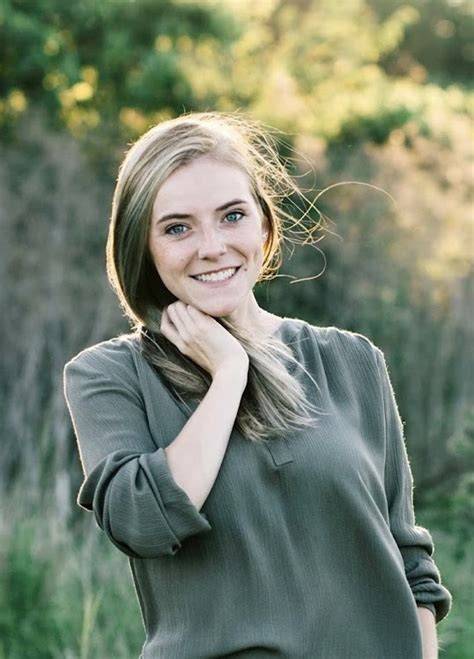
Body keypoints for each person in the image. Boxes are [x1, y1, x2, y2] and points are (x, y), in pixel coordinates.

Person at [63, 112, 451, 659]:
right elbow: (143, 523)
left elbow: (410, 564)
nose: (212, 246)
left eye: (232, 216)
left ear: (264, 228)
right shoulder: (109, 376)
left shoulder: (351, 360)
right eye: (177, 228)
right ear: (142, 246)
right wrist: (228, 375)